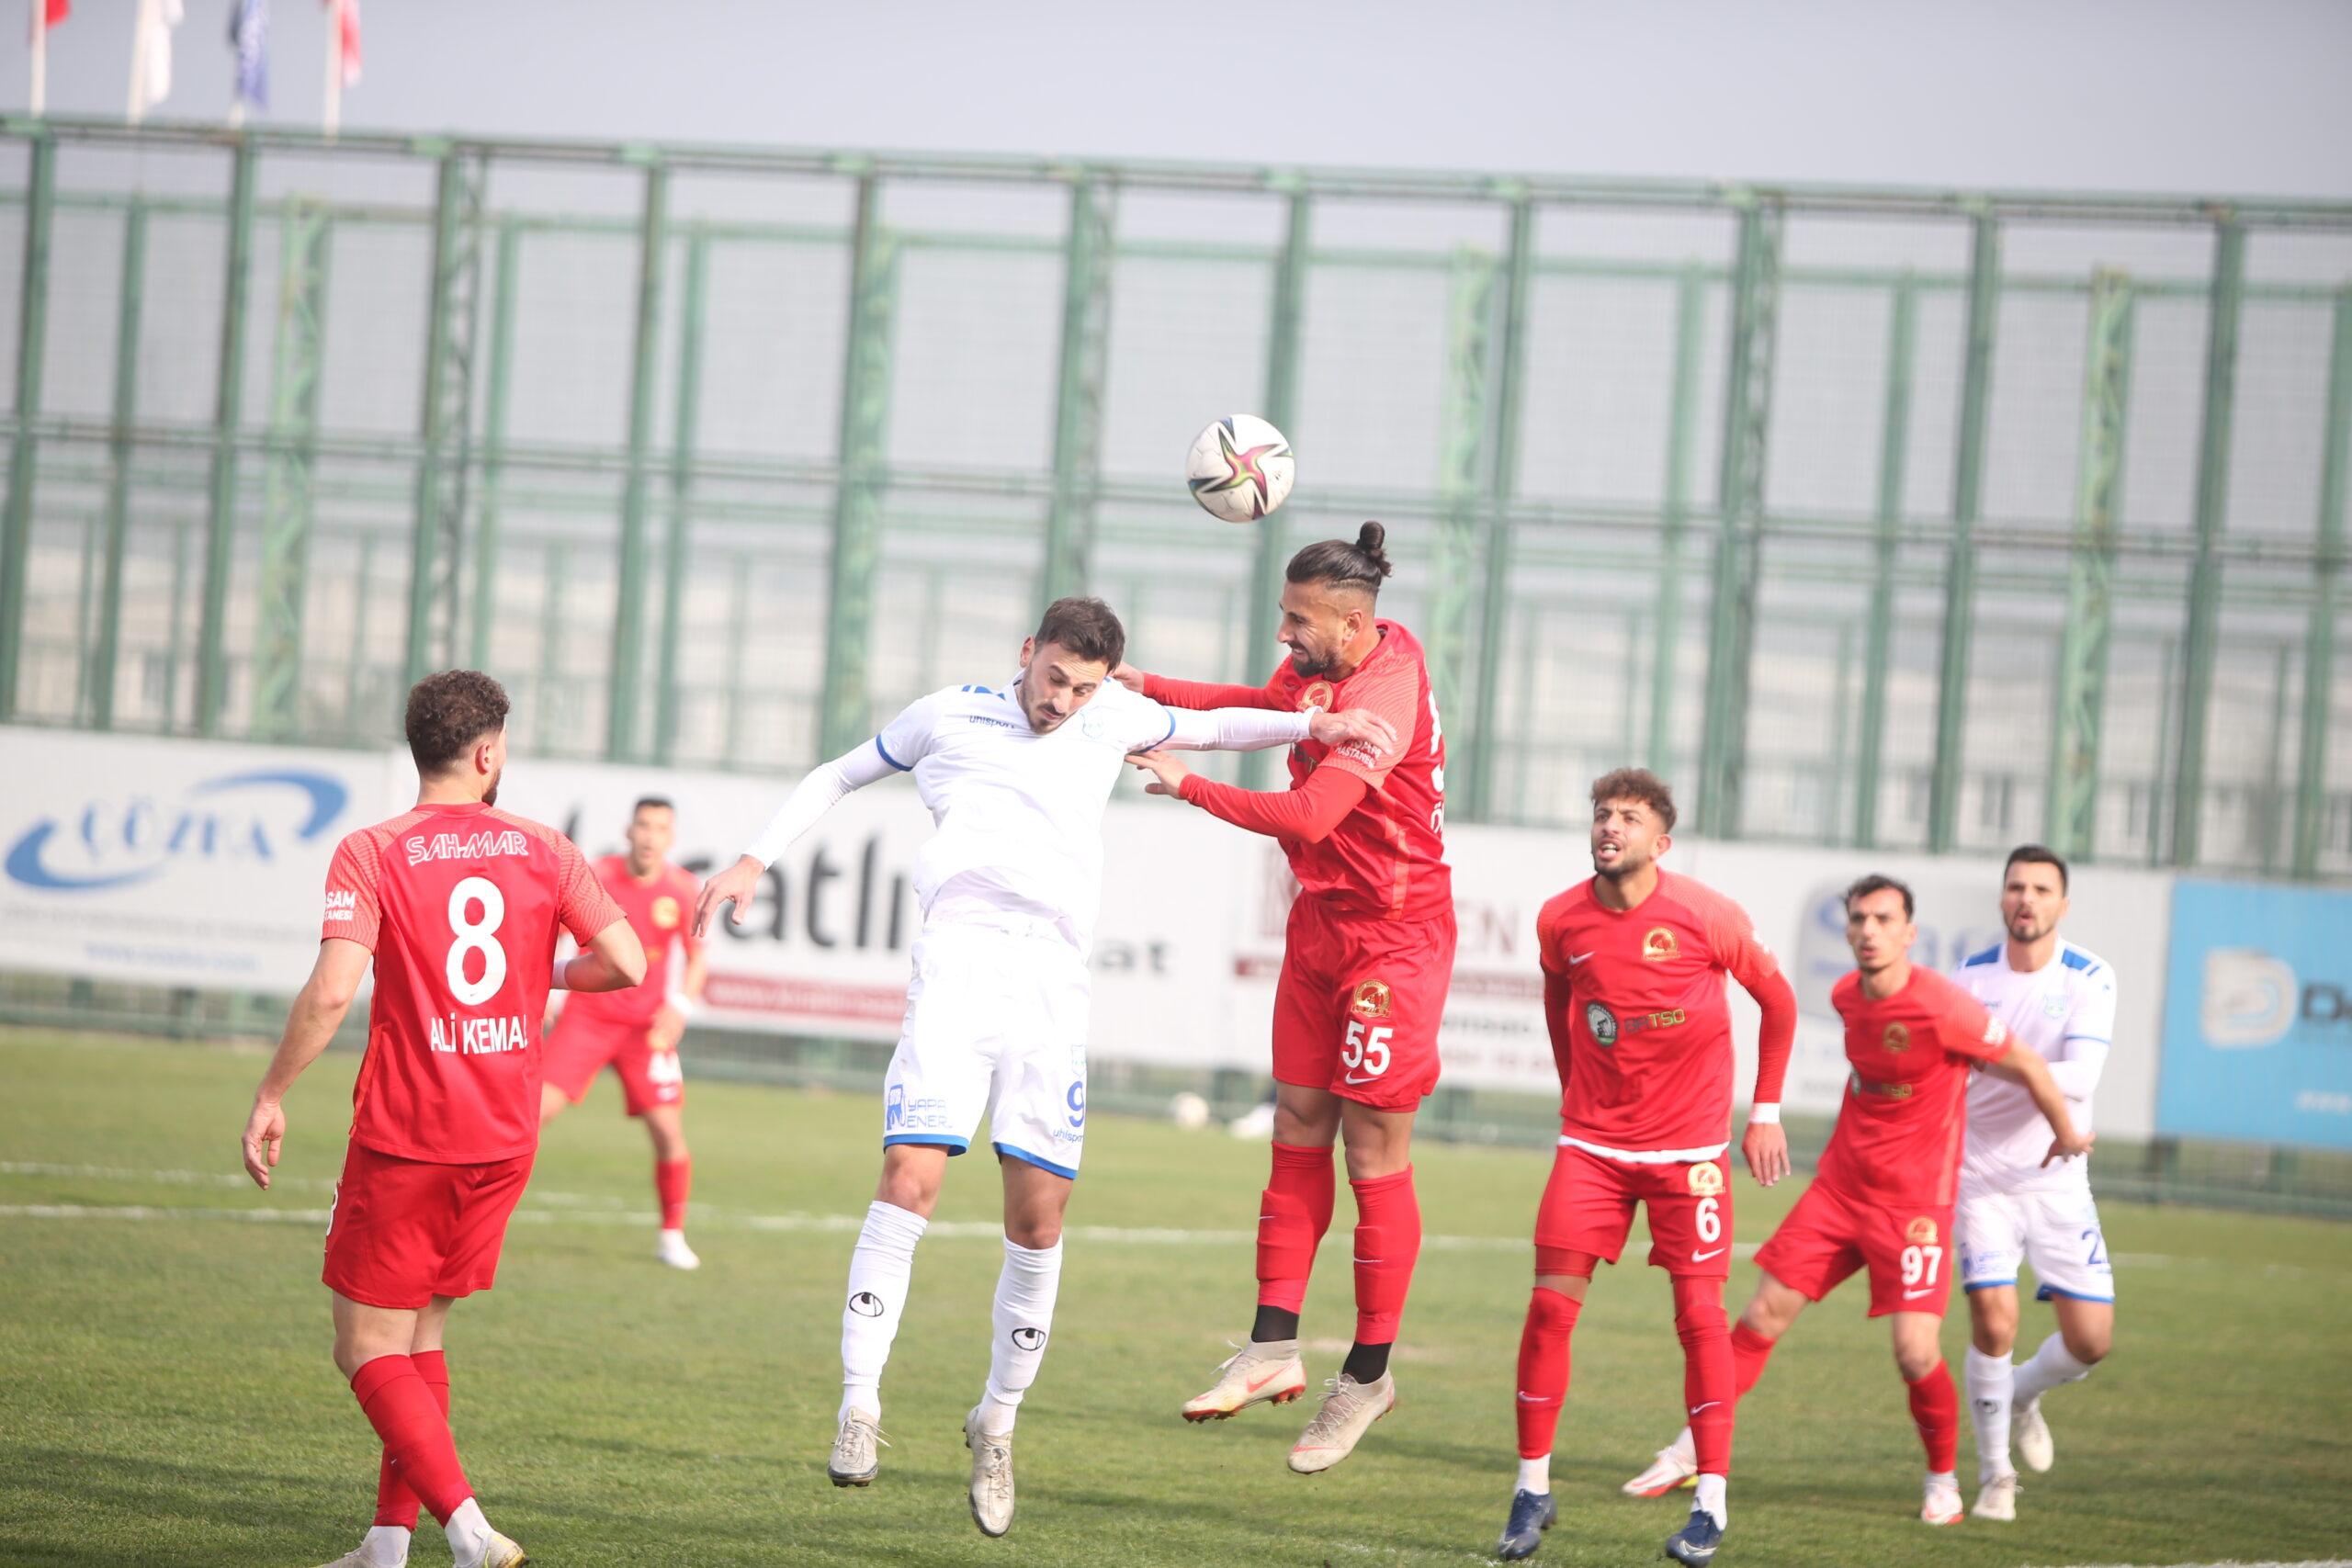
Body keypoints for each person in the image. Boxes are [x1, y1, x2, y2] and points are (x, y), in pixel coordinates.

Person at [692, 596, 1396, 1538]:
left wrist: (1320, 722)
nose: (1062, 702)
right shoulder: (947, 714)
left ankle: (997, 1423)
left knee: (1039, 1215)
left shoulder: (1110, 716)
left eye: (1084, 687)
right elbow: (836, 775)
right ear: (1027, 654)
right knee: (909, 1180)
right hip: (955, 971)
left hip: (1051, 992)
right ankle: (860, 1405)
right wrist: (751, 860)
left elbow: (1217, 726)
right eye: (1054, 677)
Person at [240, 671, 644, 1568]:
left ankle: (465, 1529)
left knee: (361, 1346)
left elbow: (335, 988)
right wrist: (543, 976)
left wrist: (272, 1092)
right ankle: (387, 1545)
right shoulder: (544, 844)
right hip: (502, 1135)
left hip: (407, 1133)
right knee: (420, 1335)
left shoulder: (372, 849)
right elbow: (624, 961)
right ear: (488, 753)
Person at [1119, 521, 1453, 1475]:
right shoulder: (1318, 676)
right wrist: (1148, 688)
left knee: (1371, 1150)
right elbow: (1247, 705)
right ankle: (1269, 1349)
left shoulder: (1385, 690)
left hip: (1395, 940)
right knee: (1296, 1124)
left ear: (1351, 627)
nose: (1283, 635)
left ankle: (1368, 1376)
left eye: (1296, 621)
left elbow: (1309, 813)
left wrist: (1186, 785)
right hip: (1319, 929)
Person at [1626, 874, 2093, 1532]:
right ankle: (1689, 1452)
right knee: (1761, 1313)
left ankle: (1942, 1479)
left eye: (1882, 919)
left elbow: (2028, 1064)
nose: (1868, 930)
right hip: (1840, 1190)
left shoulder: (1945, 1006)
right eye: (1858, 919)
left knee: (1914, 1351)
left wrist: (2067, 1134)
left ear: (1909, 933)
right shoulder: (1846, 994)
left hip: (1915, 1206)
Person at [1500, 770, 1797, 1566]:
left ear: (1659, 842)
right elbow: (1559, 1007)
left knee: (1701, 1321)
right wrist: (1577, 1101)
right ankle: (1531, 1489)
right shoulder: (1561, 917)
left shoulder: (1708, 915)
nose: (1609, 826)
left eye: (1628, 817)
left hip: (1691, 1157)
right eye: (1601, 813)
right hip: (1592, 1150)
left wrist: (1763, 1112)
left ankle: (1710, 1505)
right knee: (1548, 1312)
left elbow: (1781, 1003)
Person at [1951, 845, 2118, 1521]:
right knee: (1995, 1320)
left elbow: (2083, 1077)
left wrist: (1999, 1057)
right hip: (1979, 1175)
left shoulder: (2089, 975)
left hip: (2056, 1176)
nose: (2027, 899)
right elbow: (1948, 1070)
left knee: (2090, 1343)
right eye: (2016, 887)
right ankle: (1996, 1474)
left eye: (2041, 889)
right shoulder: (1967, 976)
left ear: (2062, 904)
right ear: (2002, 900)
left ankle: (2021, 1393)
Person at [539, 796, 708, 1270]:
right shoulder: (599, 875)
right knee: (532, 1116)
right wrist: (548, 990)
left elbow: (698, 960)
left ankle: (672, 1234)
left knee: (668, 1133)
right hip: (588, 1017)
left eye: (660, 828)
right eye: (643, 825)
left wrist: (678, 1008)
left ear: (670, 838)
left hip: (646, 1029)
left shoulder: (681, 889)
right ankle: (480, 1214)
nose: (651, 835)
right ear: (629, 831)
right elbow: (556, 930)